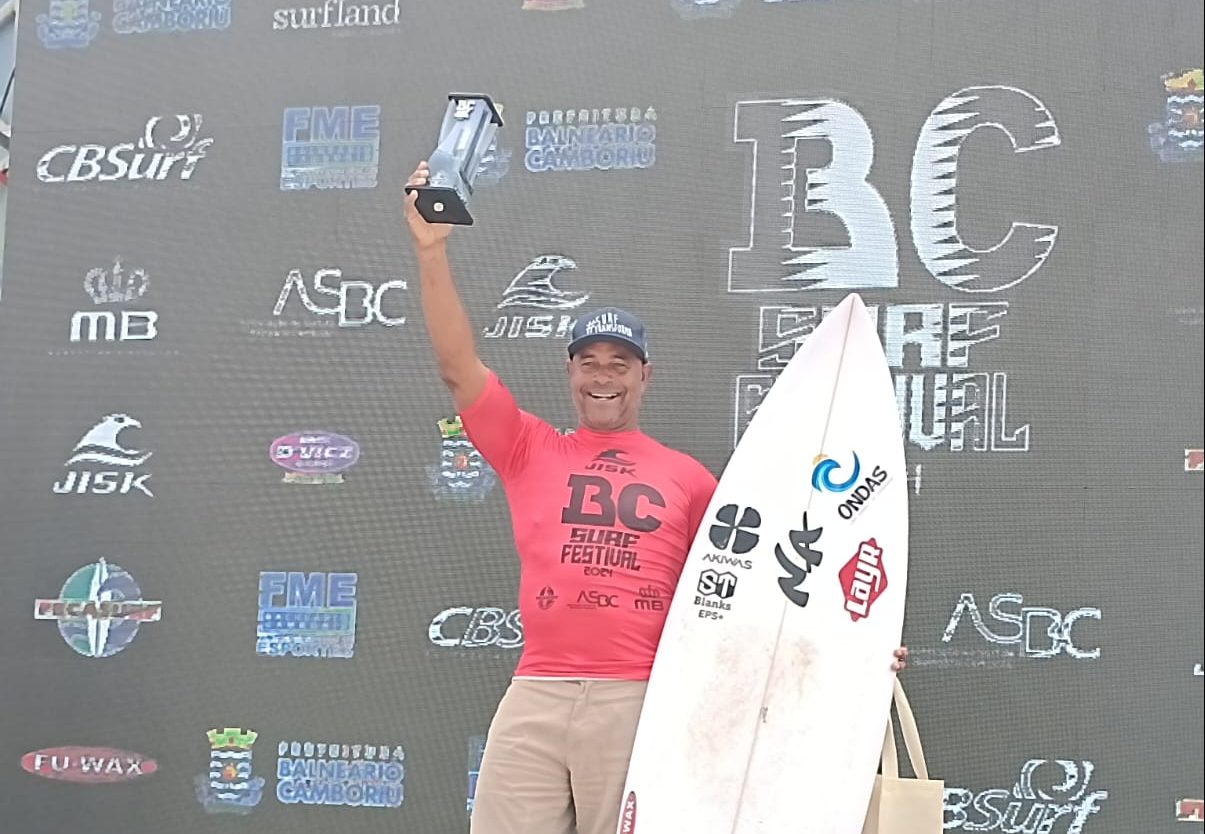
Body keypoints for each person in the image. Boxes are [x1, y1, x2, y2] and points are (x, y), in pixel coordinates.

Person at [403, 161, 908, 834]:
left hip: (641, 697)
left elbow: (761, 594)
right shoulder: (527, 448)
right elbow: (456, 367)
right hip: (537, 690)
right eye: (589, 362)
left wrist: (852, 643)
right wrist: (429, 250)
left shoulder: (692, 481)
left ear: (644, 376)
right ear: (570, 372)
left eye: (619, 365)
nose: (603, 378)